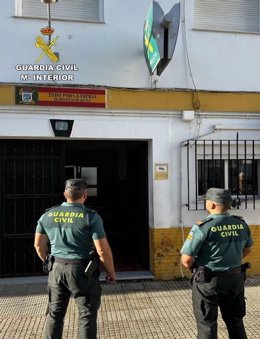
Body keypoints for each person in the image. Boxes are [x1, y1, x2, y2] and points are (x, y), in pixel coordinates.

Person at [34, 178, 116, 339]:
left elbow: (38, 245)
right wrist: (111, 271)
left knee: (55, 314)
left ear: (65, 194)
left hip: (56, 269)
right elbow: (102, 250)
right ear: (85, 195)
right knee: (86, 316)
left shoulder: (47, 215)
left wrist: (49, 262)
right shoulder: (90, 217)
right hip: (82, 271)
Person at [180, 187, 253, 339]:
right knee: (236, 322)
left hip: (208, 282)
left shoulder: (203, 227)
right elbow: (247, 250)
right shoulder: (241, 224)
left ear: (212, 205)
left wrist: (194, 268)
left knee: (207, 325)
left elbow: (186, 260)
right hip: (235, 278)